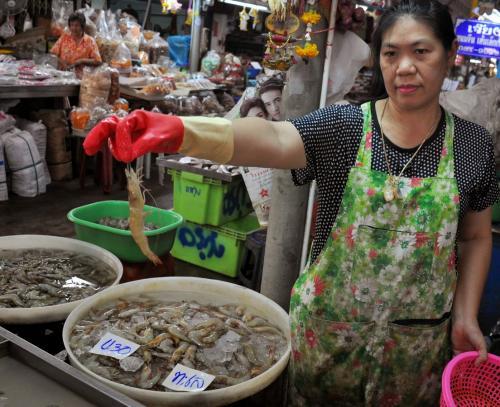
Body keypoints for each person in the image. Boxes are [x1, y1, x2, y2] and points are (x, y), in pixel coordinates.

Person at [83, 1, 499, 405]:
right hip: (329, 337)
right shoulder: (346, 126)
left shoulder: (474, 147)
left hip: (417, 346)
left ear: (450, 55)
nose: (404, 67)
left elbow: (476, 237)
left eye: (421, 51)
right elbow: (276, 137)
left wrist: (465, 316)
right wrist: (179, 130)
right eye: (391, 53)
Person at [50, 12, 102, 79]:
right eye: (72, 25)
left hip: (83, 78)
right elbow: (53, 54)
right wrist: (62, 62)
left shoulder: (90, 41)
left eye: (77, 25)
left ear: (82, 26)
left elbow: (98, 61)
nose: (74, 28)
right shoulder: (64, 38)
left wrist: (81, 61)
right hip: (63, 76)